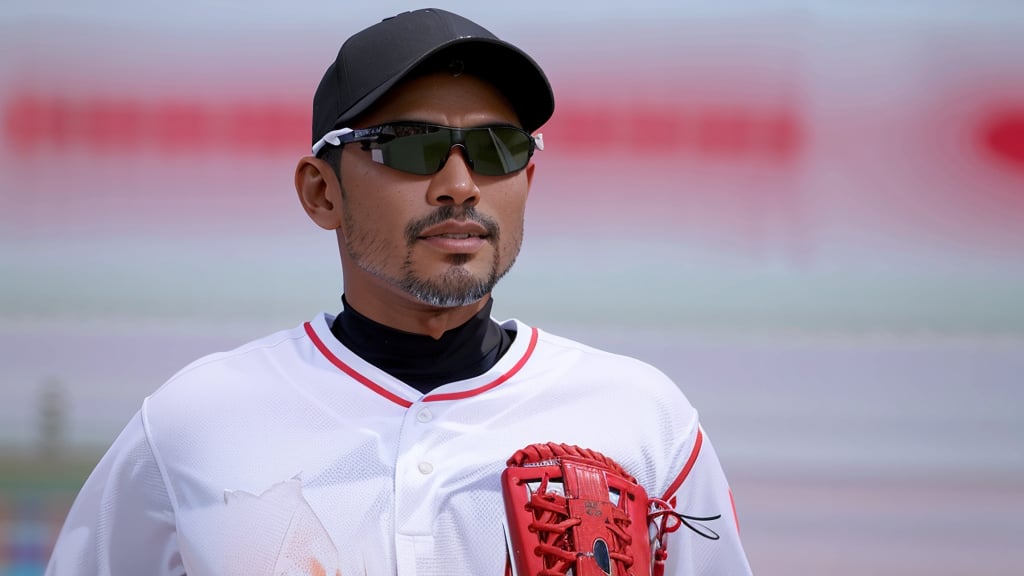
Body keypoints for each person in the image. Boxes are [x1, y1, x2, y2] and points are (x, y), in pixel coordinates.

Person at [45, 8, 752, 576]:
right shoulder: (192, 423)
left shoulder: (642, 422)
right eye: (410, 145)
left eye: (497, 148)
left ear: (527, 182)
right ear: (322, 192)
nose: (460, 184)